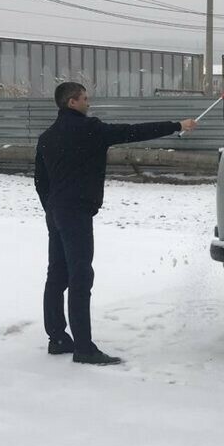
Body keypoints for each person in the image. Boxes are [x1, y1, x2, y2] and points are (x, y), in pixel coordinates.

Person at [34, 82, 197, 365]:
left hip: (56, 212)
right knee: (80, 277)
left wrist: (51, 208)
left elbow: (40, 181)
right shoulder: (90, 130)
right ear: (71, 102)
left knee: (57, 274)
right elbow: (132, 131)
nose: (89, 103)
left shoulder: (47, 137)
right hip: (76, 214)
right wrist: (176, 125)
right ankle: (84, 348)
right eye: (85, 98)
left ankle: (58, 337)